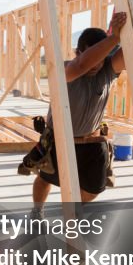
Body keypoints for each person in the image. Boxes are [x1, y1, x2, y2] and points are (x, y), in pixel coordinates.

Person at [24, 12, 127, 205]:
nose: (96, 65)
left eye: (101, 59)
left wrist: (128, 29)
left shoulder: (107, 70)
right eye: (92, 57)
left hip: (92, 142)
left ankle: (72, 212)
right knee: (45, 178)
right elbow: (82, 65)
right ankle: (37, 212)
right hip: (58, 141)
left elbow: (130, 53)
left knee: (94, 189)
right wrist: (114, 38)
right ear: (77, 52)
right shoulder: (66, 70)